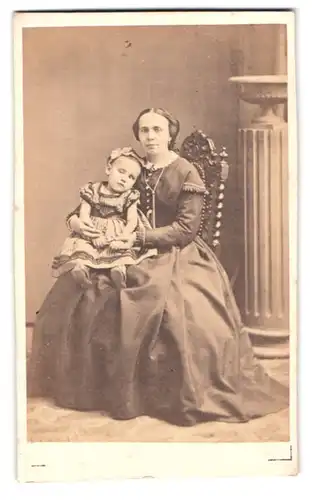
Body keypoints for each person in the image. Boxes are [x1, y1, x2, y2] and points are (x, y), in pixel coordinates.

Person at [29, 107, 289, 426]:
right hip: (119, 246)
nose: (151, 136)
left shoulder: (185, 171)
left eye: (157, 130)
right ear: (138, 135)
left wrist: (139, 239)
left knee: (161, 304)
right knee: (87, 290)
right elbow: (95, 201)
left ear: (170, 134)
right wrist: (77, 223)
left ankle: (150, 392)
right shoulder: (131, 167)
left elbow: (186, 229)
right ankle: (94, 389)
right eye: (145, 130)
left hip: (175, 251)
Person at [51, 147, 156, 290]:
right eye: (121, 172)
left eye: (131, 177)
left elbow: (132, 221)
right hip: (93, 230)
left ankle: (118, 271)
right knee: (83, 248)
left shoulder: (130, 196)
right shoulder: (93, 189)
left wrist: (123, 236)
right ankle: (81, 269)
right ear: (108, 169)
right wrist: (93, 236)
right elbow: (84, 215)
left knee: (118, 252)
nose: (124, 179)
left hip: (116, 232)